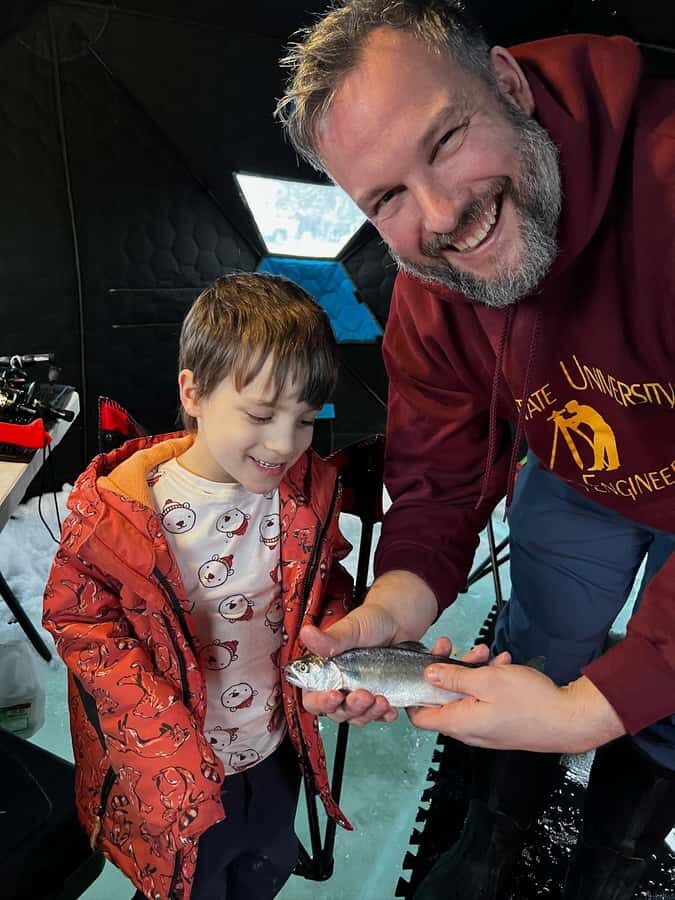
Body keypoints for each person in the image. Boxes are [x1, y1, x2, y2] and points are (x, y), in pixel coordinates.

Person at [276, 2, 675, 898]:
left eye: (445, 140)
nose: (443, 215)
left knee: (661, 689)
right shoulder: (433, 288)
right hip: (576, 480)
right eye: (385, 198)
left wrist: (586, 715)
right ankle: (493, 835)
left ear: (506, 84)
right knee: (537, 648)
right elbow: (440, 478)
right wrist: (390, 612)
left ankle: (611, 867)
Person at [42, 273, 355, 900]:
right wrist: (161, 740)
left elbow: (326, 585)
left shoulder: (304, 494)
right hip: (174, 775)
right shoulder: (119, 516)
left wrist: (336, 638)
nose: (284, 444)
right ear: (194, 391)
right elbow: (82, 626)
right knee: (190, 887)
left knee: (263, 868)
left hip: (274, 751)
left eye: (305, 419)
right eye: (261, 414)